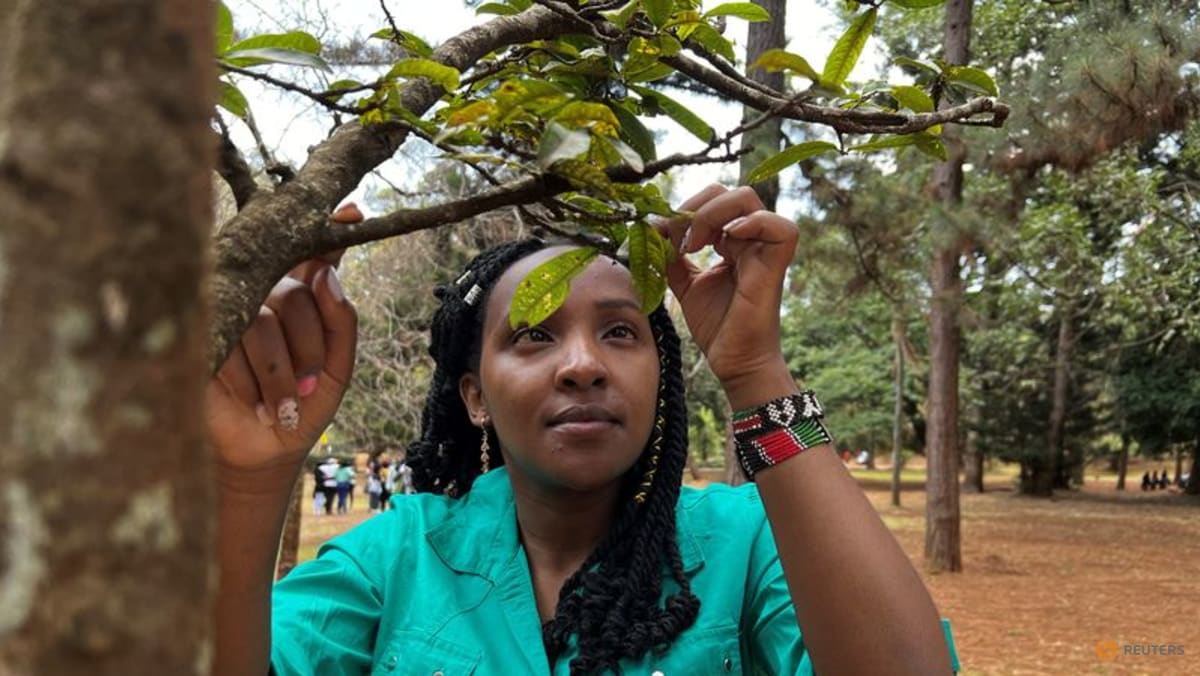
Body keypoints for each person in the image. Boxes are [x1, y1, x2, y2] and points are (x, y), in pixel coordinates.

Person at [208, 191, 956, 674]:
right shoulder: (399, 553)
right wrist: (245, 483)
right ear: (474, 396)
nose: (582, 366)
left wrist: (758, 370)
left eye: (621, 333)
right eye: (533, 335)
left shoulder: (745, 541)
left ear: (659, 375)